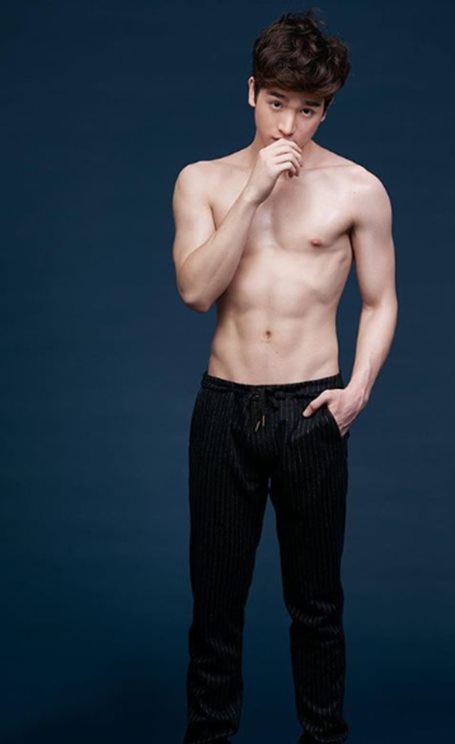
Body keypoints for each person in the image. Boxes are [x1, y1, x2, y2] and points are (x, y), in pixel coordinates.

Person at [171, 9, 398, 744]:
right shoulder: (202, 181)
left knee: (317, 606)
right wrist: (253, 194)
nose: (289, 126)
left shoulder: (359, 189)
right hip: (225, 412)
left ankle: (323, 737)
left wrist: (358, 390)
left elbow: (380, 300)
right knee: (216, 605)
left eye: (308, 110)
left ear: (326, 109)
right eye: (277, 103)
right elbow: (195, 291)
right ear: (251, 92)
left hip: (312, 410)